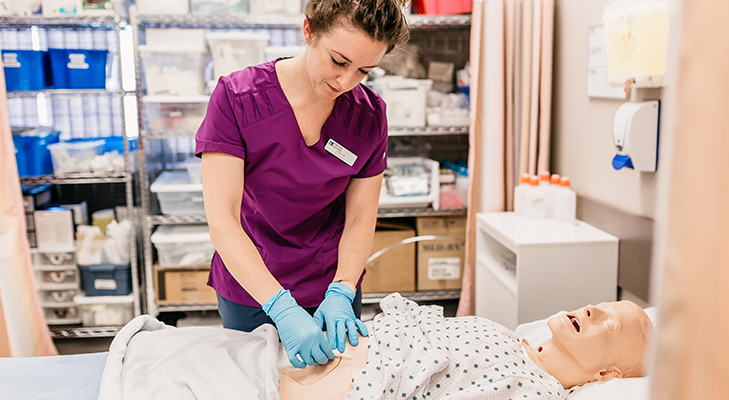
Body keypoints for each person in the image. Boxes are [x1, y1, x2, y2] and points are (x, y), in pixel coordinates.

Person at [195, 0, 411, 370]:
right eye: (338, 61)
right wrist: (279, 305)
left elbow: (360, 217)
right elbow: (223, 219)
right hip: (253, 283)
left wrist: (343, 289)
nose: (346, 82)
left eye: (364, 71)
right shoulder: (237, 98)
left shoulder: (369, 116)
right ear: (309, 31)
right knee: (256, 386)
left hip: (332, 287)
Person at [277, 296, 654, 399]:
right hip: (326, 356)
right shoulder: (508, 334)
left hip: (357, 387)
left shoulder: (537, 392)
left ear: (606, 375)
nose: (591, 309)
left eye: (609, 321)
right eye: (602, 303)